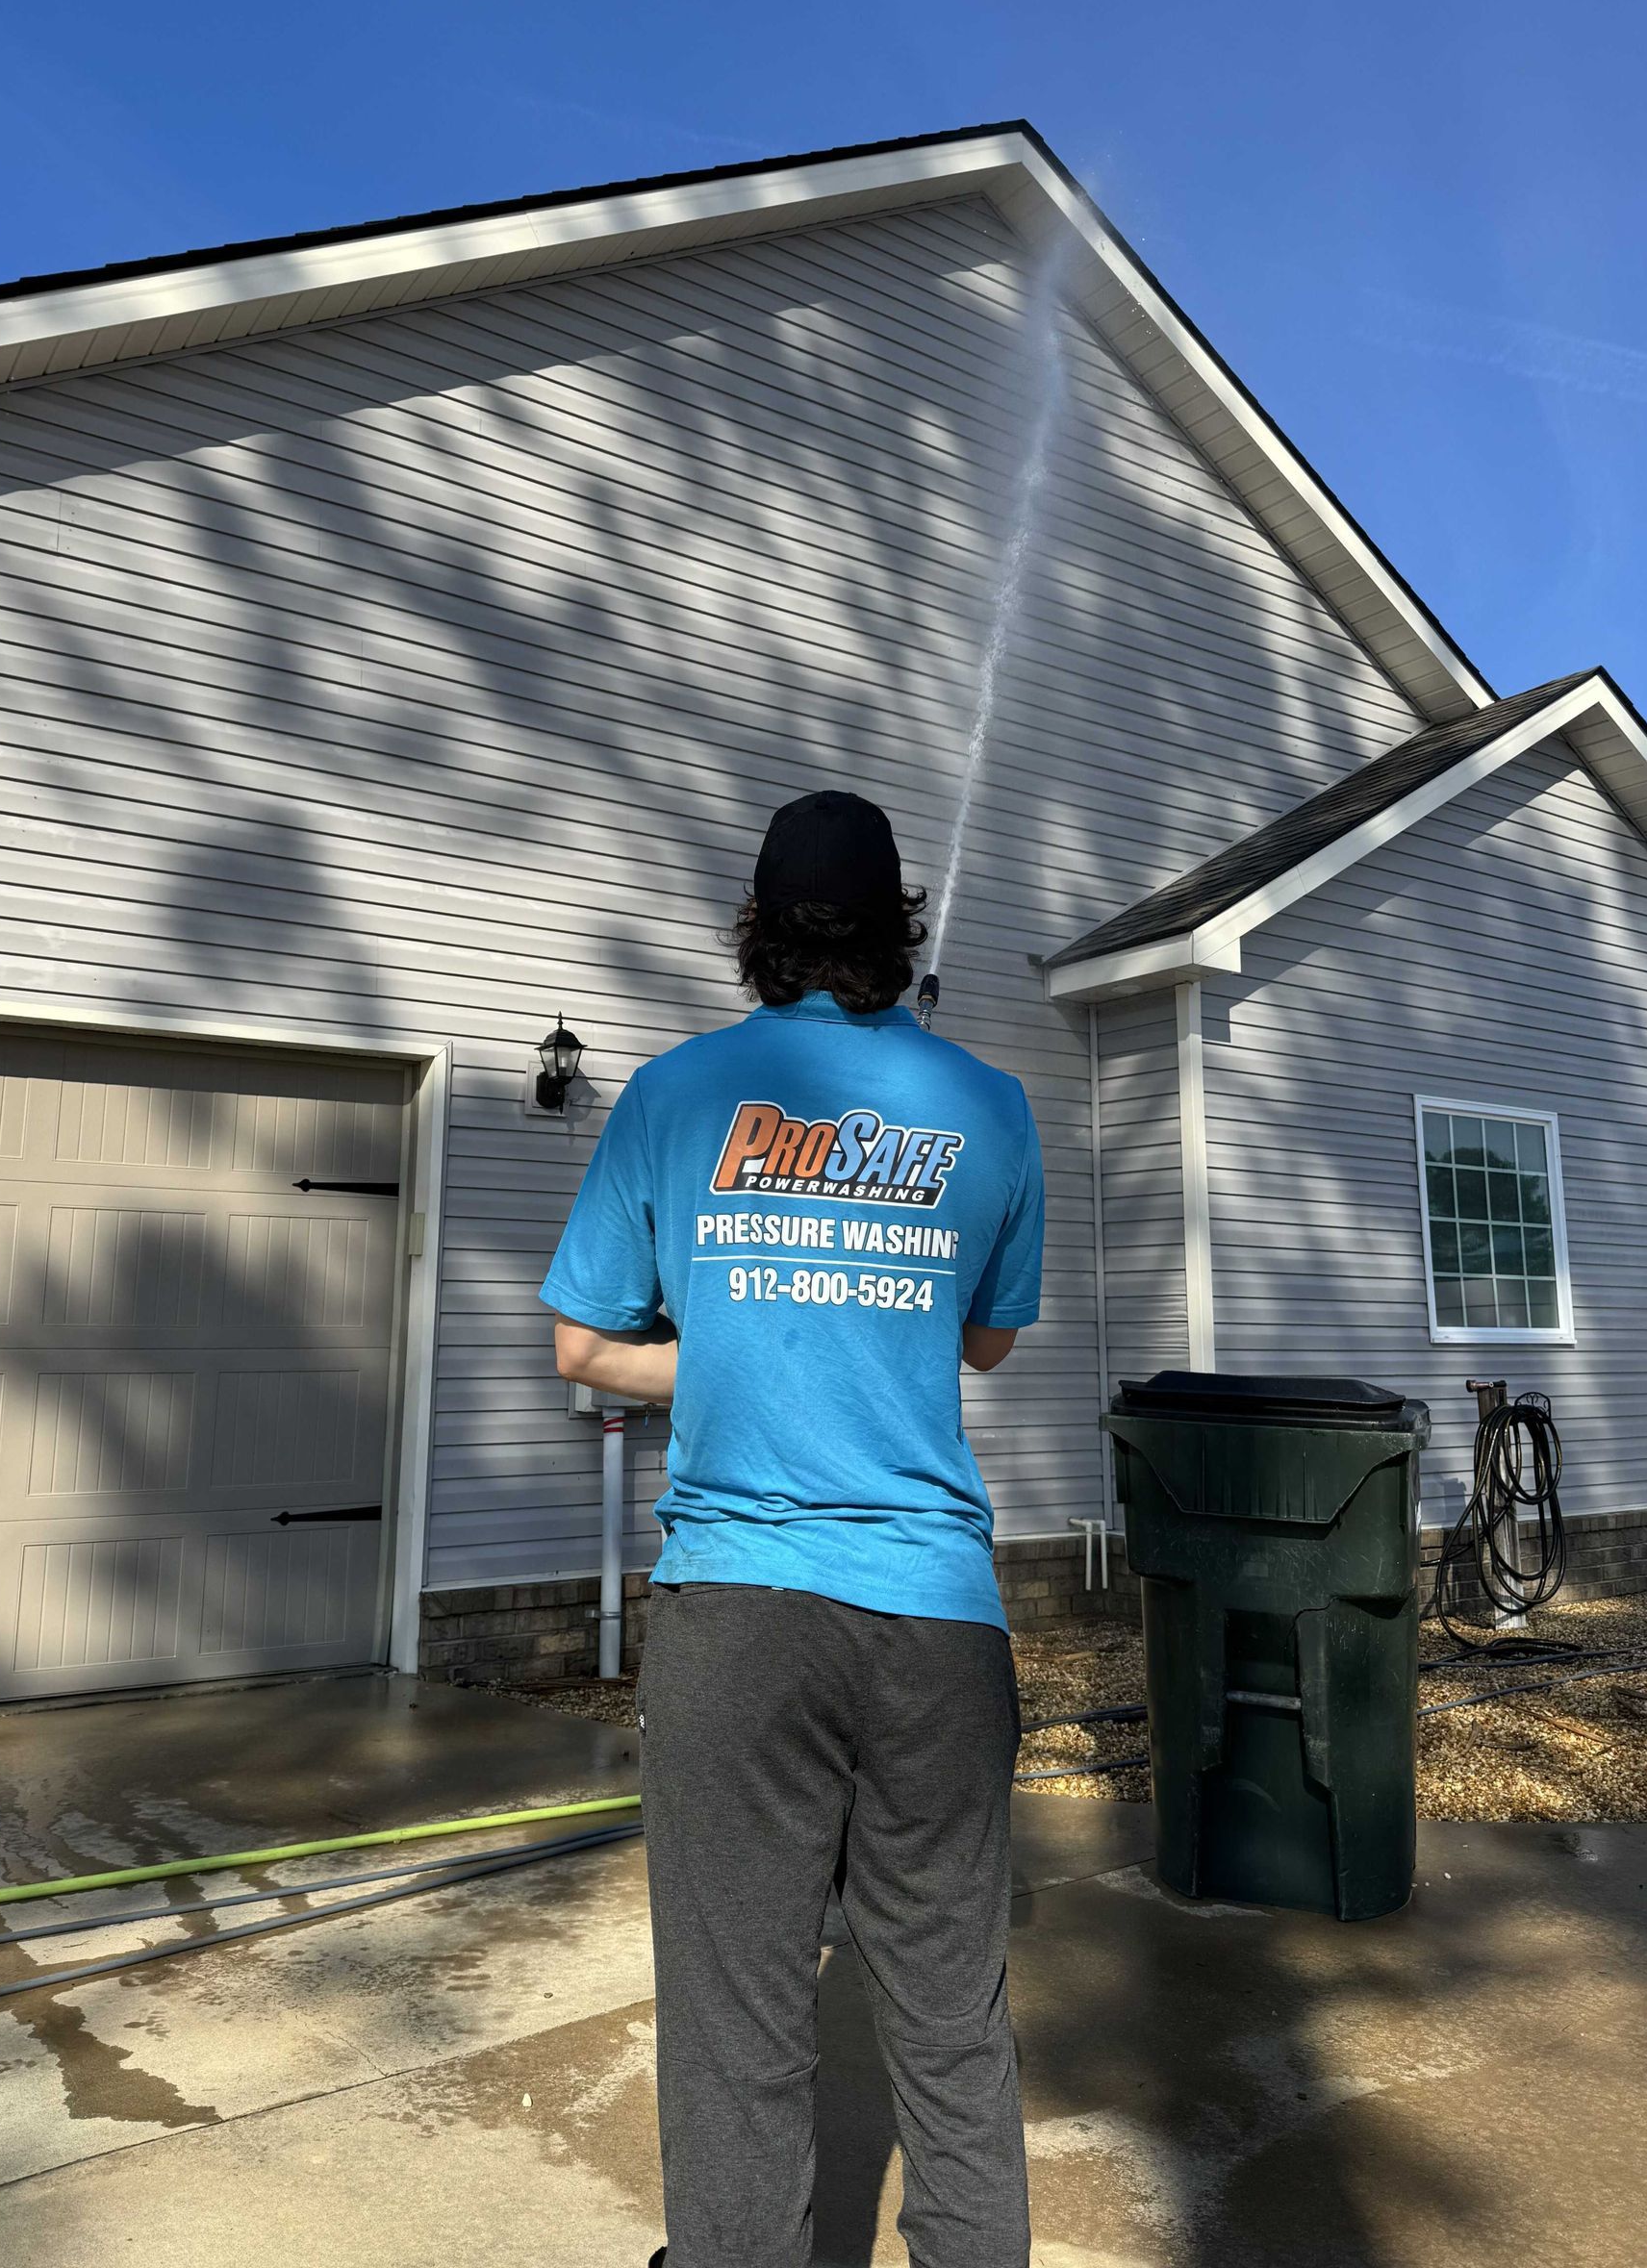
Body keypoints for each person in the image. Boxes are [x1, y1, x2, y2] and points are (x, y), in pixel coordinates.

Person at [543, 789, 1045, 2268]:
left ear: (756, 932)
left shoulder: (676, 1091)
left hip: (735, 1616)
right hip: (939, 1624)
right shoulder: (993, 1106)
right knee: (954, 2017)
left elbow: (582, 1346)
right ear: (900, 932)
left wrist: (734, 1344)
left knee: (735, 2023)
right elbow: (989, 1345)